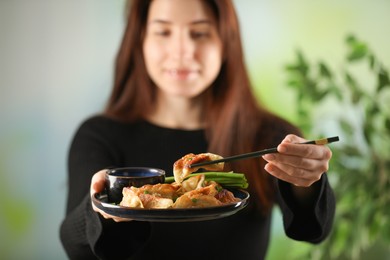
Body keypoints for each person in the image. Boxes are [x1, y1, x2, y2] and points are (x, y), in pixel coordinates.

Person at [60, 0, 335, 259]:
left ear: (226, 42)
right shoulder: (99, 135)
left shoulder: (268, 135)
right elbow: (76, 248)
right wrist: (98, 208)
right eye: (163, 32)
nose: (181, 51)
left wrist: (305, 180)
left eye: (200, 33)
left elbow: (312, 229)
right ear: (140, 39)